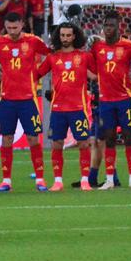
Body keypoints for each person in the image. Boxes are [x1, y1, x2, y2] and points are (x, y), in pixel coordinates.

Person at [0, 13, 50, 192]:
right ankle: (6, 181)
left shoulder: (33, 41)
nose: (12, 31)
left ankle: (40, 180)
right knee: (7, 139)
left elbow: (51, 56)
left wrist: (38, 74)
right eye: (9, 28)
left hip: (29, 99)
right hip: (7, 100)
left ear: (22, 23)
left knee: (33, 138)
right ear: (5, 25)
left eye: (15, 27)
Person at [36, 23, 96, 192]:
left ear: (74, 36)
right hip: (58, 109)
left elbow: (97, 74)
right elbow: (36, 74)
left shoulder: (84, 56)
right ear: (58, 36)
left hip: (78, 108)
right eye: (62, 35)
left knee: (84, 143)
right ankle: (58, 181)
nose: (65, 38)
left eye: (68, 35)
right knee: (56, 144)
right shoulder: (52, 58)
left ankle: (85, 180)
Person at [89, 12, 131, 190]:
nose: (108, 29)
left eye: (111, 25)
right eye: (105, 26)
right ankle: (110, 179)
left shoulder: (129, 46)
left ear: (119, 26)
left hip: (125, 99)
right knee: (109, 139)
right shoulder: (97, 47)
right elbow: (92, 71)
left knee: (128, 138)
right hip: (105, 101)